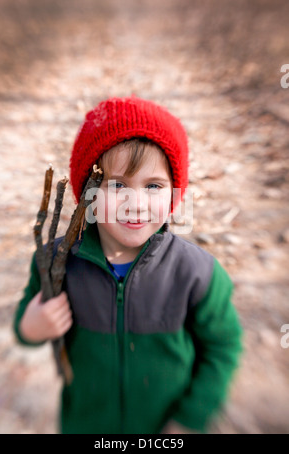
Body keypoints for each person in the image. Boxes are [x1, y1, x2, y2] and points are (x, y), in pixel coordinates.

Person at [13, 96, 243, 434]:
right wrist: (30, 327)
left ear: (174, 194)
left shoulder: (197, 273)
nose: (135, 204)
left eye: (153, 186)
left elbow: (223, 347)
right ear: (88, 194)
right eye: (117, 185)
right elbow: (26, 322)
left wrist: (191, 419)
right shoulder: (55, 263)